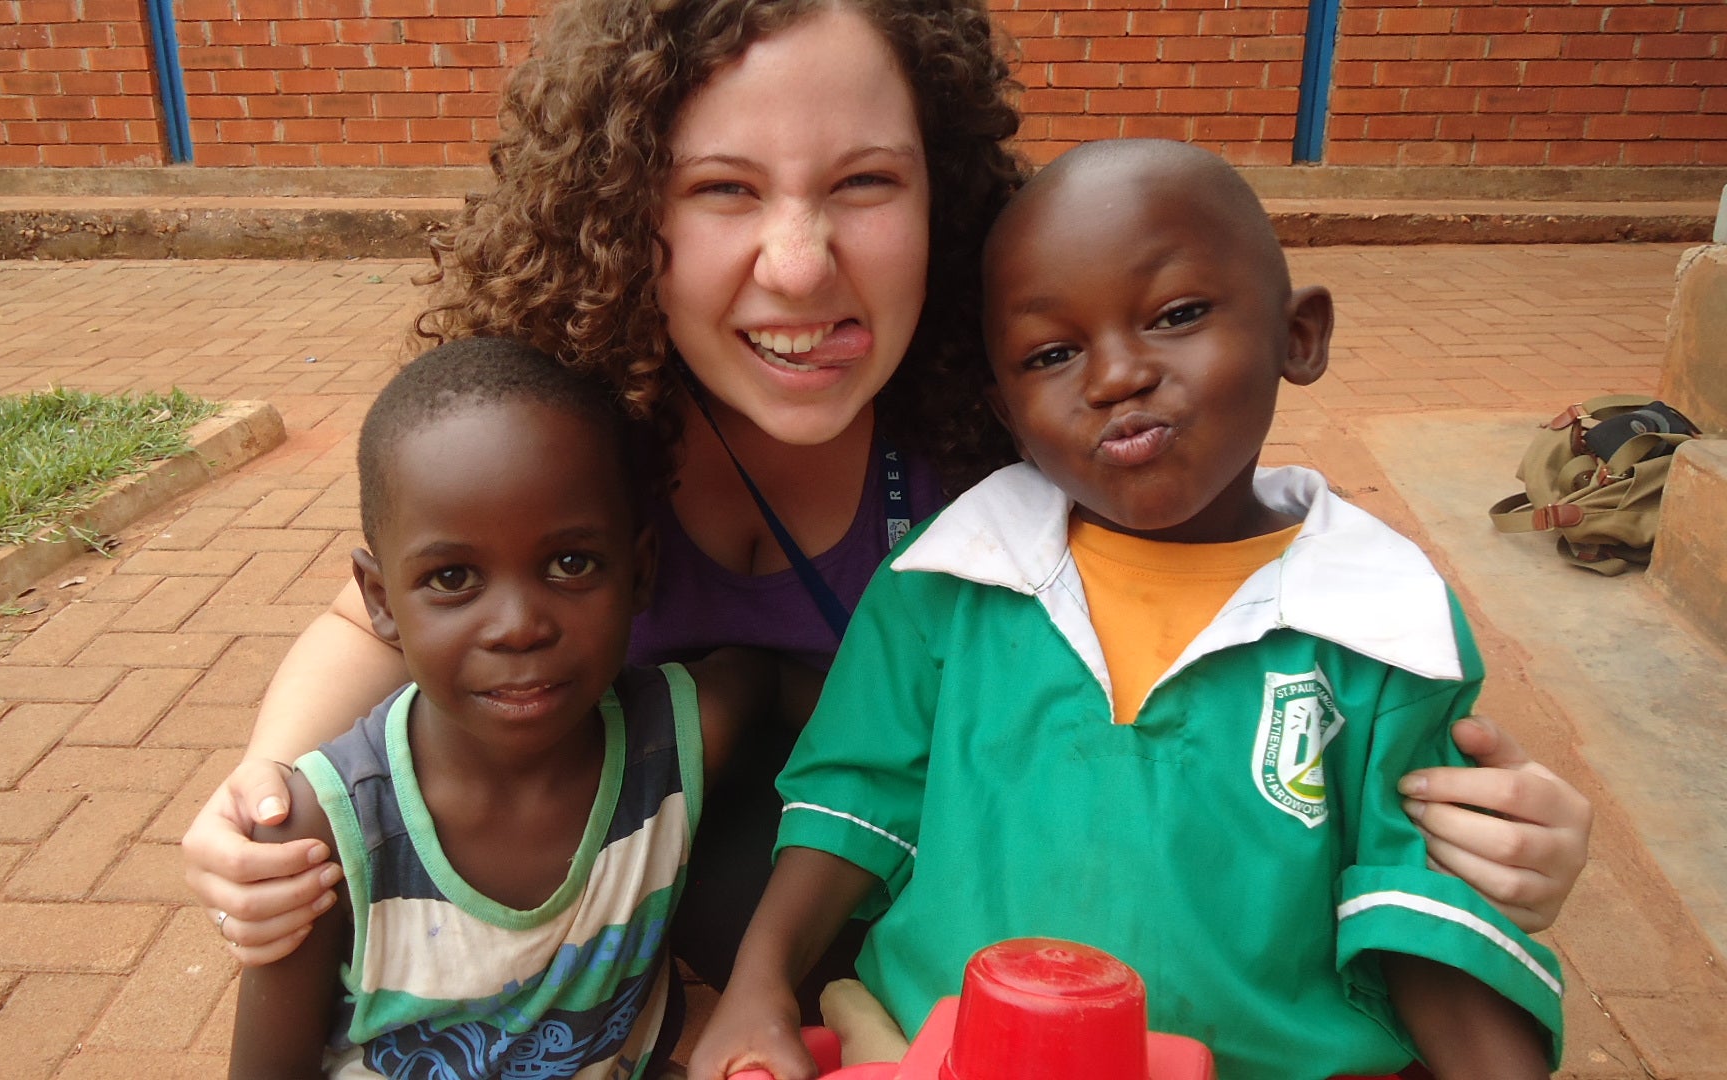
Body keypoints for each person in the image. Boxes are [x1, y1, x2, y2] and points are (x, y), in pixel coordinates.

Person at [183, 0, 1591, 995]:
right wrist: (256, 801)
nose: (798, 267)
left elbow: (1269, 654)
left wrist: (1514, 830)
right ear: (625, 214)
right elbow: (364, 616)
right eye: (725, 190)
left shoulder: (1028, 428)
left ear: (950, 200)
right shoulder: (559, 429)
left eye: (865, 183)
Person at [688, 141, 1563, 1080]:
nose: (1115, 377)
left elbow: (1418, 915)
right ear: (1007, 408)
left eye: (1177, 315)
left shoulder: (1379, 620)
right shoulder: (949, 576)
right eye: (1052, 353)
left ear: (1298, 335)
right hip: (934, 1054)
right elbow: (854, 797)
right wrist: (760, 982)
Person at [229, 338, 773, 1079]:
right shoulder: (323, 834)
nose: (518, 624)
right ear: (381, 601)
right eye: (453, 577)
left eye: (570, 563)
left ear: (640, 572)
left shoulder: (681, 737)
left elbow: (803, 690)